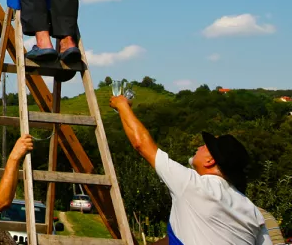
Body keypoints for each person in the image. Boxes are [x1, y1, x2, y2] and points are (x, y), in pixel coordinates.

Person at [110, 95, 272, 245]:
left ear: (210, 160)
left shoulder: (192, 185)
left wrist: (122, 105)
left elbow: (141, 145)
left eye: (205, 146)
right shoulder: (253, 211)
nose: (199, 146)